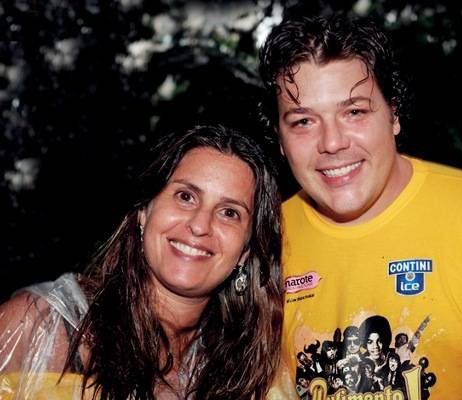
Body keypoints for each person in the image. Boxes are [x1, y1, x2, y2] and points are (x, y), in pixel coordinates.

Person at [259, 13, 462, 399]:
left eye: (355, 112)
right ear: (280, 140)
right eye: (303, 122)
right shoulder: (264, 239)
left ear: (394, 114)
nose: (332, 142)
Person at [0, 125, 284, 399]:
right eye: (185, 196)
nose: (200, 225)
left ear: (246, 251)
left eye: (229, 212)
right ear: (144, 212)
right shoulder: (38, 324)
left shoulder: (251, 372)